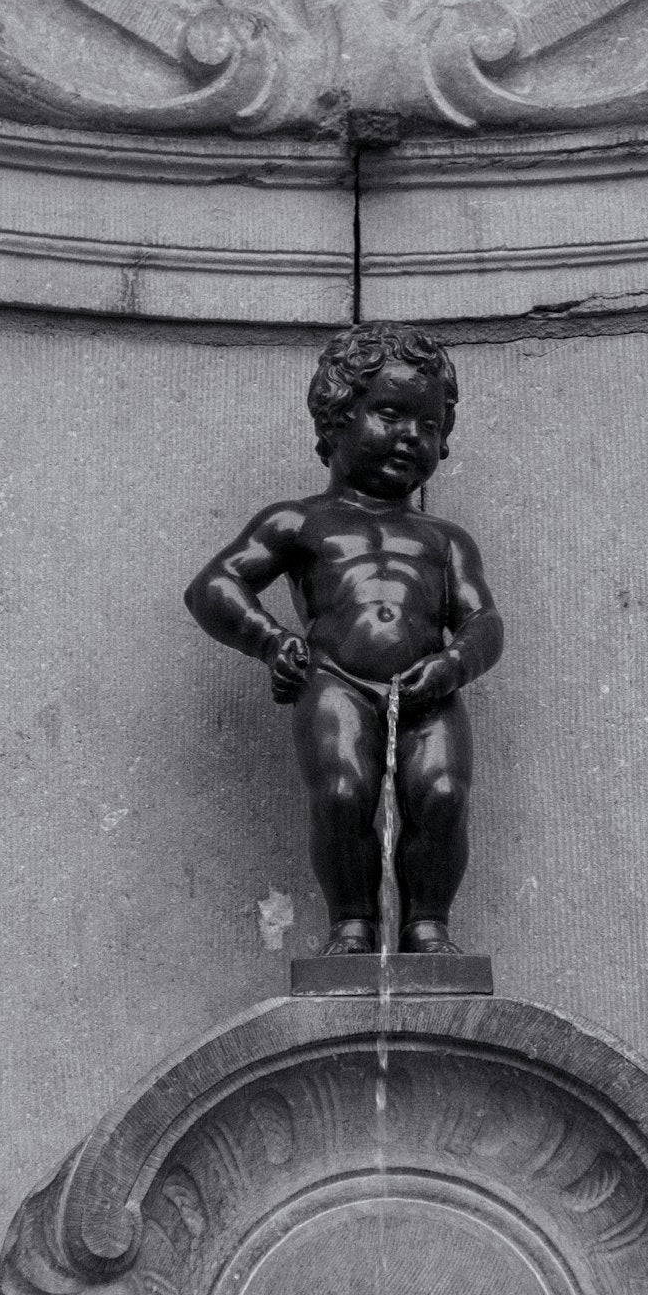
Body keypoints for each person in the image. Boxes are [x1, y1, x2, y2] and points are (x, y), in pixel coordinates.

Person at [185, 322, 503, 956]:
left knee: (441, 795)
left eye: (431, 426)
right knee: (340, 791)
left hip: (429, 690)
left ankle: (428, 928)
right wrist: (270, 641)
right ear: (335, 418)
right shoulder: (300, 520)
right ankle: (352, 926)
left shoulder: (444, 539)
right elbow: (214, 586)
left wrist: (454, 666)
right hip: (336, 681)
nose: (412, 437)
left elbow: (483, 621)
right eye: (390, 413)